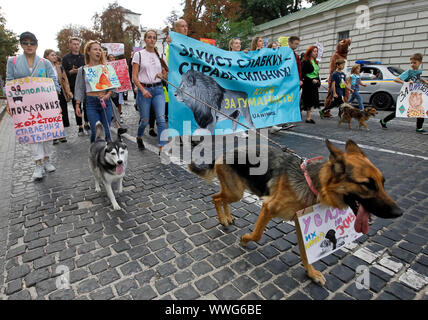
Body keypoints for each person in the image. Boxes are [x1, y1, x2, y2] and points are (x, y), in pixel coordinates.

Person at [6, 32, 60, 180]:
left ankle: (47, 159)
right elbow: (9, 82)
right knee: (32, 134)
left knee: (48, 133)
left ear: (37, 44)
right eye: (25, 42)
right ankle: (38, 164)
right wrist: (9, 103)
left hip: (46, 104)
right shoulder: (13, 61)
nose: (29, 45)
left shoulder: (45, 63)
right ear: (21, 44)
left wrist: (56, 103)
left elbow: (54, 82)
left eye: (32, 42)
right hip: (25, 105)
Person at [132, 30, 168, 153]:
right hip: (144, 90)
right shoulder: (139, 55)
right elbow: (134, 77)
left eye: (154, 37)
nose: (152, 39)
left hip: (158, 89)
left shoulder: (161, 55)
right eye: (149, 37)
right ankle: (139, 136)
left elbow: (166, 73)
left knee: (161, 119)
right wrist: (142, 90)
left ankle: (162, 147)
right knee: (144, 120)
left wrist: (162, 75)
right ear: (145, 39)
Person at [74, 40, 114, 143]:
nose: (98, 52)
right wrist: (78, 105)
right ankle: (94, 153)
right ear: (88, 51)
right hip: (91, 103)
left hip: (105, 103)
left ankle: (106, 156)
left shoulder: (107, 67)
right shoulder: (82, 70)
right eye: (95, 49)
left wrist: (107, 95)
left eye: (99, 50)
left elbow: (114, 86)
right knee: (95, 132)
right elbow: (79, 88)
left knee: (106, 132)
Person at [380, 53, 428, 134]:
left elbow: (418, 78)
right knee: (400, 110)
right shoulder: (408, 72)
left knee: (420, 109)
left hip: (416, 94)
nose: (412, 64)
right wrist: (406, 82)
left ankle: (419, 128)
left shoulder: (419, 71)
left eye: (414, 63)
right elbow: (396, 79)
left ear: (420, 62)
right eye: (411, 63)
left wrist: (424, 81)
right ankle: (384, 121)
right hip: (408, 95)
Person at [62, 37, 90, 136]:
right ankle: (80, 126)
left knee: (87, 104)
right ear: (70, 45)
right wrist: (71, 72)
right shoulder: (65, 58)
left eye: (78, 44)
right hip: (73, 84)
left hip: (85, 84)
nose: (76, 46)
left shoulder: (84, 57)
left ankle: (87, 122)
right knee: (76, 105)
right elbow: (63, 73)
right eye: (74, 44)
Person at [44, 49, 73, 144]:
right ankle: (54, 136)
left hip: (60, 92)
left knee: (61, 112)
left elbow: (65, 80)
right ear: (46, 56)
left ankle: (61, 134)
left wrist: (68, 91)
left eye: (55, 55)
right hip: (48, 93)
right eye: (52, 55)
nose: (54, 56)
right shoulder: (42, 67)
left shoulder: (59, 67)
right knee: (52, 114)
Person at [301, 46, 321, 123]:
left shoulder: (316, 62)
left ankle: (303, 112)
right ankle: (308, 118)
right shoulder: (306, 61)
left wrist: (318, 81)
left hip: (314, 84)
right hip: (308, 83)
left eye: (317, 51)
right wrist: (311, 80)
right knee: (308, 100)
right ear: (310, 52)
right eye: (314, 51)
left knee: (312, 100)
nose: (316, 53)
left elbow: (317, 73)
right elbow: (303, 73)